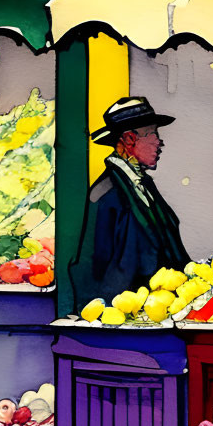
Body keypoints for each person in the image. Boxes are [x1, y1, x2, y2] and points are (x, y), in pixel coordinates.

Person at [69, 96, 191, 303]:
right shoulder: (104, 193)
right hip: (123, 310)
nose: (159, 142)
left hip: (159, 304)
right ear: (129, 140)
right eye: (153, 133)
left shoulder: (145, 185)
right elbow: (91, 264)